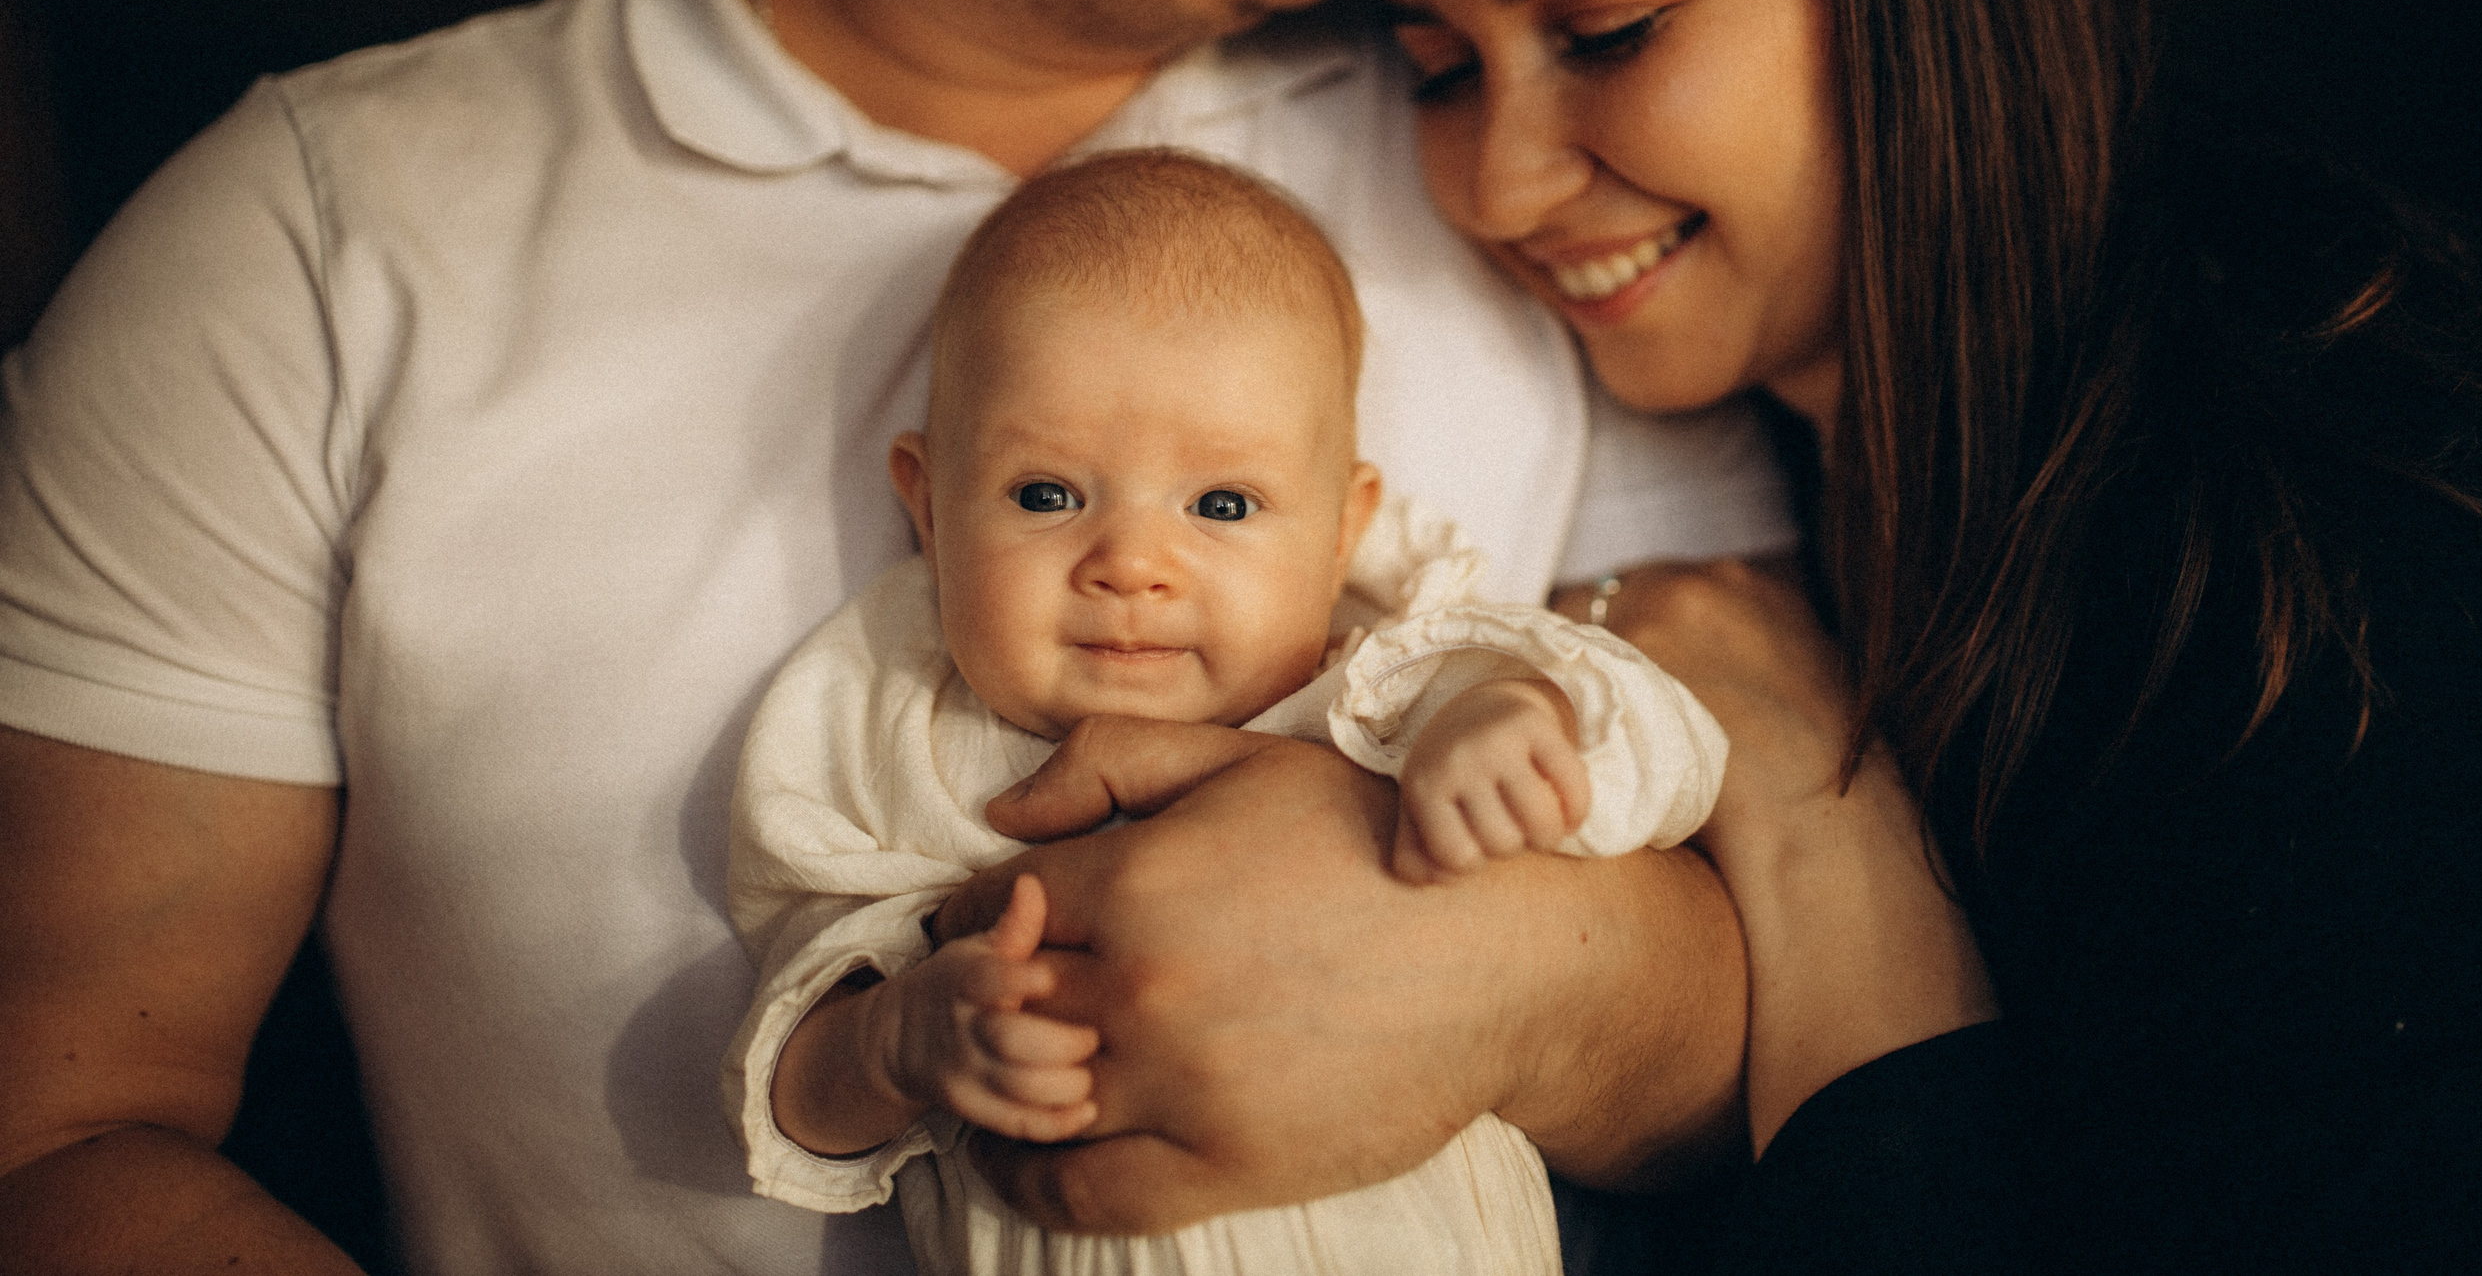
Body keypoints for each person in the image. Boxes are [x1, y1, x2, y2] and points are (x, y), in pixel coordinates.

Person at [0, 0, 1794, 1272]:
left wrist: (1523, 979)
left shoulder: (1526, 171)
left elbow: (1824, 982)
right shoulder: (305, 248)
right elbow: (55, 1133)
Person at [1359, 0, 2482, 1268]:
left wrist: (1808, 803)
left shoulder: (2332, 544)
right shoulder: (1755, 449)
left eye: (1610, 30)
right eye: (1438, 67)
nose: (1495, 178)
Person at [723, 150, 1734, 1276]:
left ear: (1342, 529)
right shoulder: (891, 728)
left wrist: (1512, 721)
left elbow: (1669, 750)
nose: (1132, 564)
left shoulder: (1390, 687)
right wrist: (893, 1040)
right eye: (1046, 494)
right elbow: (790, 1095)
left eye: (1222, 503)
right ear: (925, 502)